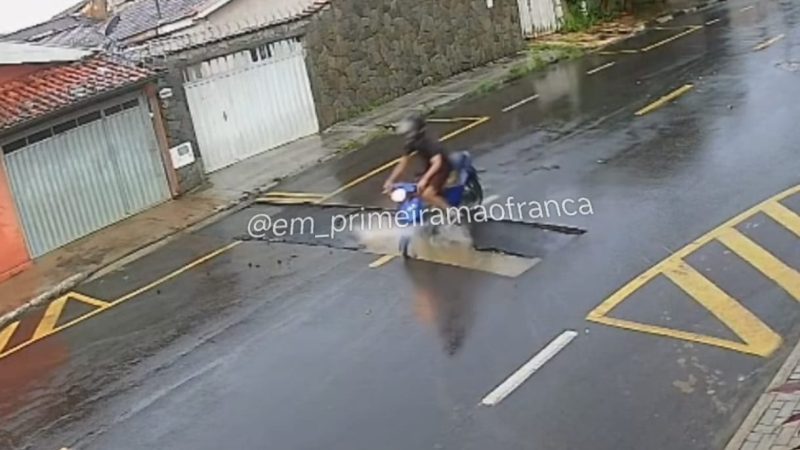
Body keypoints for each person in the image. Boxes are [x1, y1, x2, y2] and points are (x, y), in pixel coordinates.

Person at [382, 113, 452, 211]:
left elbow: (437, 163)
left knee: (427, 194)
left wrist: (425, 179)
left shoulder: (427, 143)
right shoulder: (412, 144)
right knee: (414, 192)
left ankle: (452, 213)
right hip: (431, 168)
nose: (407, 134)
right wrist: (390, 181)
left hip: (442, 168)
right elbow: (402, 163)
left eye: (409, 131)